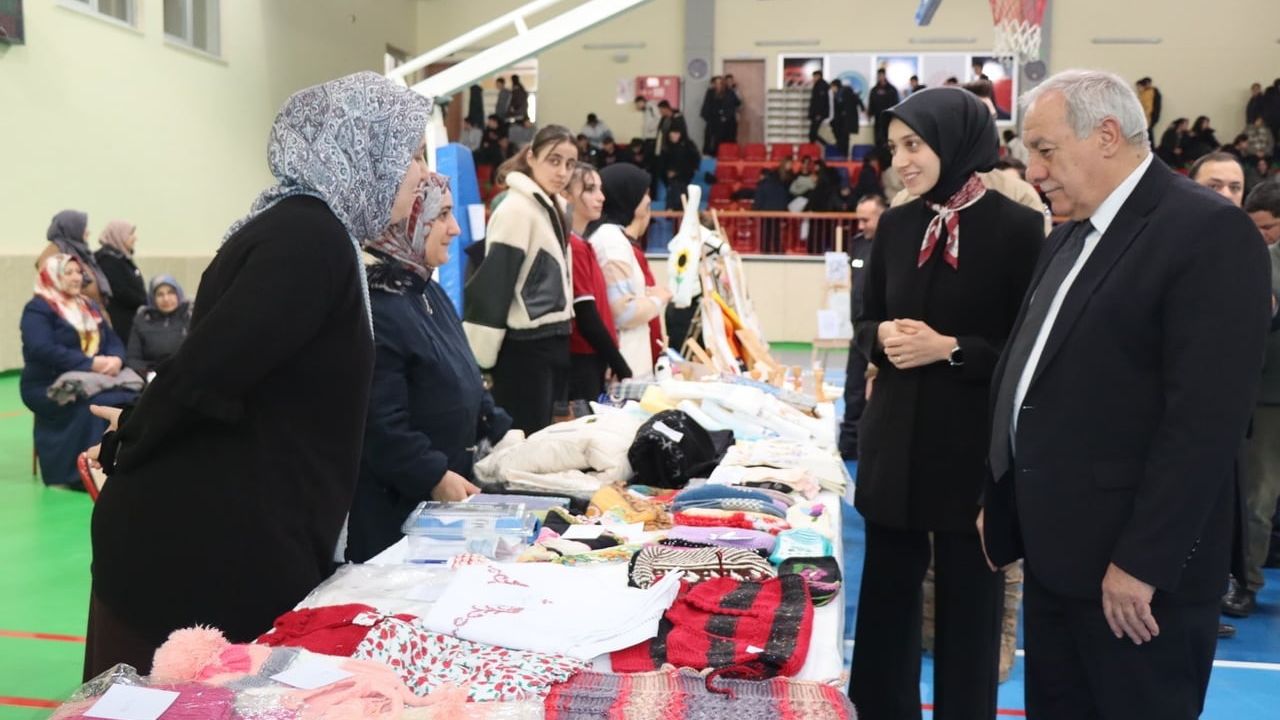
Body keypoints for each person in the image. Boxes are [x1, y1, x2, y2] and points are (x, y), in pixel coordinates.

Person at [82, 71, 431, 678]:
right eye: (409, 154)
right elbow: (205, 372)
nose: (421, 173)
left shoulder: (317, 233)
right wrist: (128, 437)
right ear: (359, 150)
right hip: (190, 566)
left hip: (226, 545)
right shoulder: (308, 238)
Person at [981, 69, 1269, 720]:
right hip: (1059, 562)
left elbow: (1205, 423)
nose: (1033, 170)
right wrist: (999, 492)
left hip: (1134, 582)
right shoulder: (1068, 235)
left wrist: (1141, 564)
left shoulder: (1207, 233)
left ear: (1107, 135)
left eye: (1045, 149)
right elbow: (1031, 374)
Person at [849, 87, 1044, 720]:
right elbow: (867, 320)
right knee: (887, 599)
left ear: (956, 143)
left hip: (968, 445)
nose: (902, 161)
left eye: (914, 145)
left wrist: (949, 349)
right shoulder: (899, 224)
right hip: (896, 440)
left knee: (969, 604)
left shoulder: (1017, 228)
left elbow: (1025, 352)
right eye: (894, 148)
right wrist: (878, 336)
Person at [347, 172, 514, 563]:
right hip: (396, 519)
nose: (455, 229)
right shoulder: (380, 308)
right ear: (408, 221)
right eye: (442, 216)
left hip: (443, 508)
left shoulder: (429, 292)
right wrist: (434, 476)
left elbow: (466, 377)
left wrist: (502, 428)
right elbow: (380, 424)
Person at [464, 125, 577, 435]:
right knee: (522, 445)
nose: (563, 171)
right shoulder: (516, 209)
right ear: (531, 157)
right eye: (554, 160)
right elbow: (493, 285)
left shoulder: (552, 208)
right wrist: (481, 360)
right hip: (525, 350)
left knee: (540, 442)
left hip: (552, 341)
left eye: (570, 164)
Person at [1188, 152, 1251, 640]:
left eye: (1234, 187)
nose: (1227, 195)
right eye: (1215, 185)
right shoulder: (1169, 244)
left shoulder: (1247, 249)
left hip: (1226, 418)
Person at [22, 254, 135, 489]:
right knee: (98, 404)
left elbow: (112, 339)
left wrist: (115, 359)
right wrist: (90, 364)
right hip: (49, 383)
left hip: (94, 378)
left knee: (130, 397)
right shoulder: (38, 309)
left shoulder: (88, 306)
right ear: (52, 276)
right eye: (69, 272)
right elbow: (42, 349)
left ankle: (123, 463)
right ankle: (81, 474)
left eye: (78, 272)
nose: (77, 277)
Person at [1224, 180, 1280, 622]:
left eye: (1271, 227)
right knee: (1258, 499)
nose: (1265, 234)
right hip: (1266, 398)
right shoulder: (1256, 260)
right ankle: (1246, 581)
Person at [588, 163, 670, 379]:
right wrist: (658, 299)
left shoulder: (615, 238)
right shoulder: (611, 242)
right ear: (629, 196)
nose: (649, 199)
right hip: (624, 364)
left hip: (631, 360)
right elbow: (623, 312)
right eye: (643, 193)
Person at [563, 163, 631, 400]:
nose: (601, 197)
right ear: (566, 195)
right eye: (590, 189)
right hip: (583, 359)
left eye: (600, 189)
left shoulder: (581, 244)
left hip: (591, 357)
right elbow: (586, 313)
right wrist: (619, 363)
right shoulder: (574, 246)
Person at [837, 194, 884, 460]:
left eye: (866, 219)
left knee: (876, 393)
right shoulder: (858, 245)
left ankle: (872, 448)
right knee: (852, 390)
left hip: (880, 331)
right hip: (858, 331)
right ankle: (848, 445)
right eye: (859, 219)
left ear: (881, 215)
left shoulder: (889, 246)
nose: (862, 225)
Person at [38, 210, 110, 308]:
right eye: (83, 228)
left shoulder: (80, 251)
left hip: (91, 313)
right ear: (71, 228)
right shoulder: (56, 250)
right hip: (73, 314)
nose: (88, 232)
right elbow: (52, 283)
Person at [125, 275, 191, 377]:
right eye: (160, 295)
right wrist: (149, 373)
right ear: (153, 298)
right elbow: (133, 359)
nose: (166, 299)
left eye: (171, 293)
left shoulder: (190, 317)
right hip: (153, 377)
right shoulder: (142, 320)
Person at [93, 220, 147, 341]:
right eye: (130, 234)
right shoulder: (107, 261)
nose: (135, 238)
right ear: (119, 235)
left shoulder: (119, 257)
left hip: (129, 322)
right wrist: (143, 300)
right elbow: (123, 292)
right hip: (120, 326)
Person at [659, 125, 700, 212]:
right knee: (675, 187)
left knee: (678, 187)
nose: (674, 135)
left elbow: (693, 163)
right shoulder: (666, 147)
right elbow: (662, 165)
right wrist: (668, 173)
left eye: (677, 133)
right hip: (670, 179)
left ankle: (672, 208)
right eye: (672, 133)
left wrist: (677, 172)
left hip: (685, 176)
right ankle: (676, 209)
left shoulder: (688, 146)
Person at [868, 68, 901, 150]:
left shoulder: (892, 89)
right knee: (878, 140)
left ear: (885, 76)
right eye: (879, 76)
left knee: (888, 139)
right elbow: (871, 103)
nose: (881, 77)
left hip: (889, 119)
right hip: (878, 119)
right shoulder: (874, 90)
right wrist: (869, 114)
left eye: (882, 75)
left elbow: (896, 104)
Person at [831, 79, 865, 159]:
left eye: (832, 87)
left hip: (846, 121)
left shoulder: (846, 92)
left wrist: (863, 109)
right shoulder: (837, 95)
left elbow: (857, 100)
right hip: (841, 122)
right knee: (842, 138)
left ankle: (844, 155)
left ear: (835, 86)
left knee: (844, 139)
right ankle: (843, 154)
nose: (832, 89)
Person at [1136, 77, 1162, 143]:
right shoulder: (1147, 93)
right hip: (1148, 118)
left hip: (1147, 118)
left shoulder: (1148, 93)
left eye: (1139, 87)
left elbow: (1148, 107)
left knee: (1147, 136)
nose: (1138, 89)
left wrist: (1144, 117)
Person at [808, 70, 831, 145]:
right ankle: (815, 147)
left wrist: (818, 114)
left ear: (818, 76)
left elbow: (821, 102)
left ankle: (827, 145)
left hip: (818, 114)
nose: (813, 78)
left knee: (812, 133)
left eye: (814, 77)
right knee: (812, 134)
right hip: (816, 113)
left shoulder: (822, 86)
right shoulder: (818, 85)